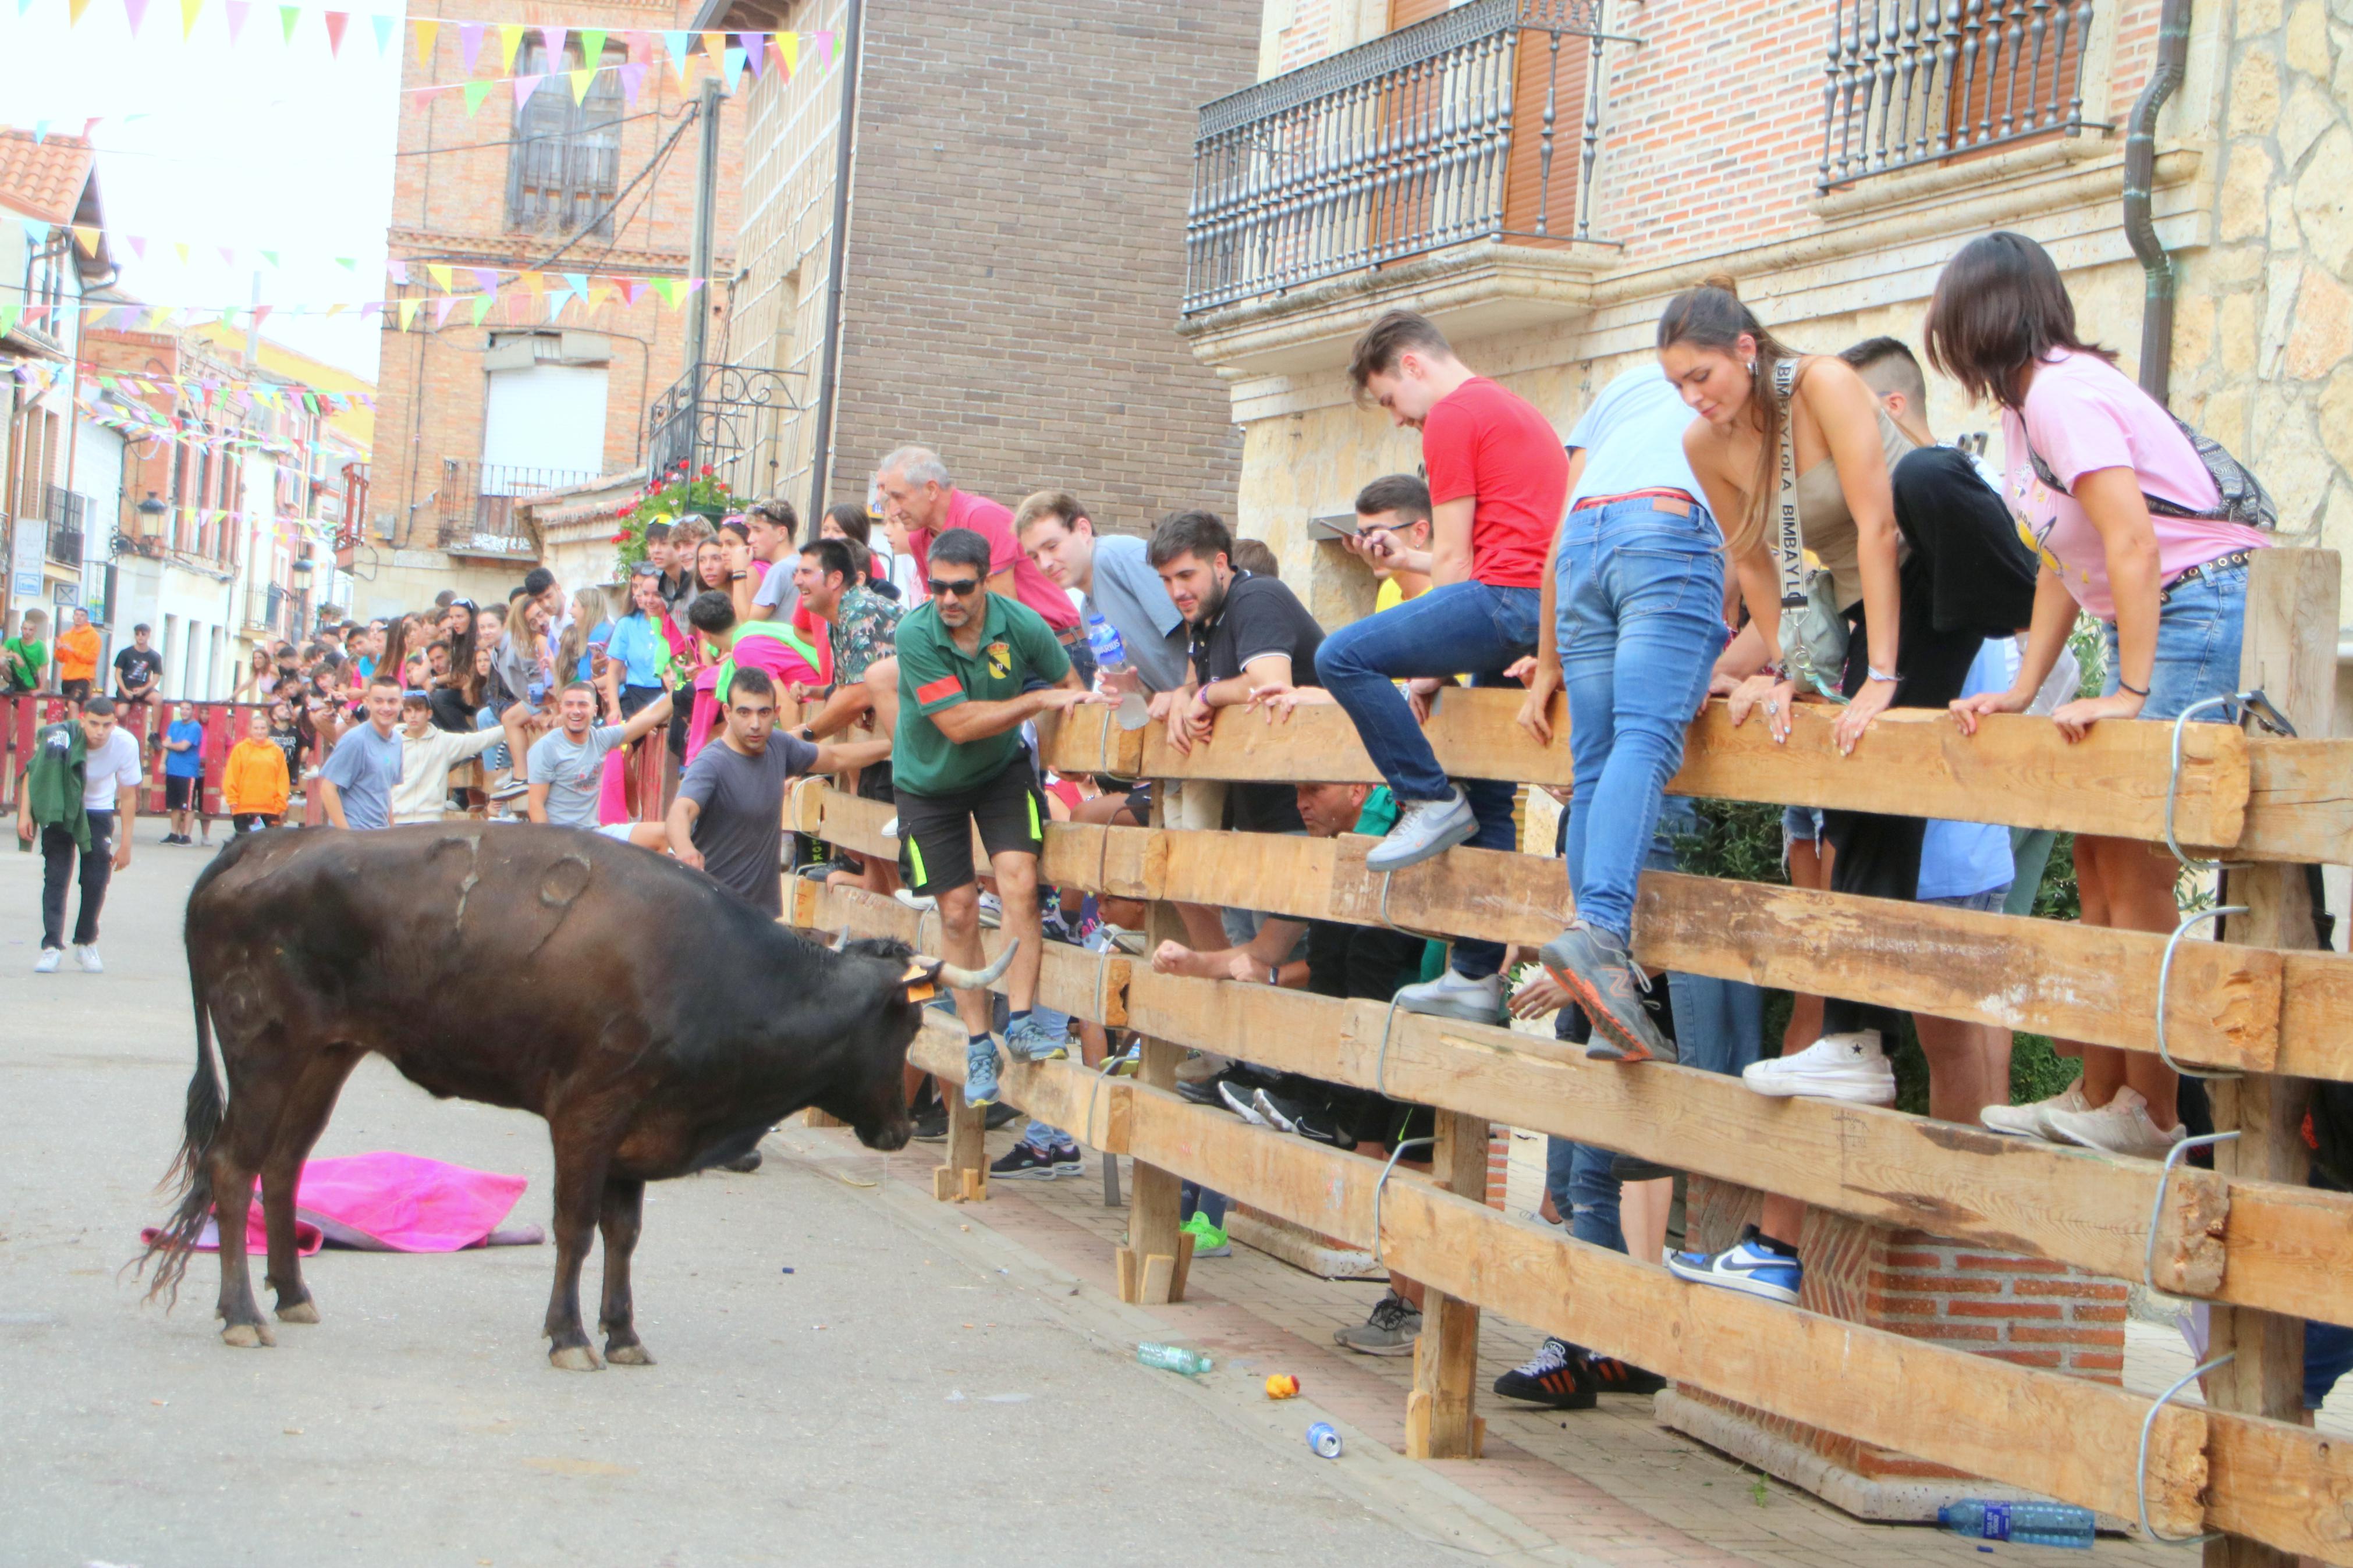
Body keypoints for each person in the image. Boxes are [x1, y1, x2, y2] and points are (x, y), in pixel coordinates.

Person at [1656, 287, 2037, 1307]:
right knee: (1860, 804)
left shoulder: (1821, 385)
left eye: (1702, 374)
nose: (1692, 398)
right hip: (1848, 621)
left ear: (1746, 349)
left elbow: (1874, 528)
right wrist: (1788, 670)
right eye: (1676, 385)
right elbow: (1762, 575)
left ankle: (1870, 1068)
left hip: (1937, 583)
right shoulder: (1706, 450)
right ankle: (1854, 1043)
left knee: (1919, 478)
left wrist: (1880, 677)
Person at [1931, 230, 2272, 1158]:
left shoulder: (2061, 392)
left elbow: (2131, 542)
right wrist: (2024, 687)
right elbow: (2063, 556)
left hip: (2194, 601)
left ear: (1971, 321)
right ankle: (2102, 1087)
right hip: (2145, 610)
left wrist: (2126, 690)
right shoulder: (2022, 411)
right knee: (2093, 856)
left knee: (2133, 860)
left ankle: (2148, 1110)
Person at [1316, 311, 1563, 1023]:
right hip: (1530, 608)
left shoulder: (1453, 415)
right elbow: (1479, 554)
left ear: (1413, 367)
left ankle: (1424, 798)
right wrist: (1409, 563)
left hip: (1505, 607)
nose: (1398, 421)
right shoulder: (1510, 407)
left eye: (1391, 401)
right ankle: (1475, 976)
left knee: (1342, 655)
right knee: (1490, 799)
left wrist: (1431, 660)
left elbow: (1459, 565)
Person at [1516, 360, 1725, 1065]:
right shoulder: (1746, 380)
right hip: (1668, 528)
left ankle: (1603, 976)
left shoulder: (1622, 386)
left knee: (1595, 761)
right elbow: (1750, 529)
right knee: (1647, 738)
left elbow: (1561, 522)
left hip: (1582, 544)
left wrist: (1546, 657)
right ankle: (1601, 934)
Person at [892, 527, 1105, 1107]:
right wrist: (1036, 703)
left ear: (986, 581)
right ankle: (978, 1040)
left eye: (961, 587)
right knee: (958, 912)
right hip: (928, 782)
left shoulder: (1020, 623)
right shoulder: (914, 632)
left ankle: (1025, 1020)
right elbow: (958, 724)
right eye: (937, 587)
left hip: (999, 773)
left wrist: (1073, 755)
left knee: (1019, 883)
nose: (948, 599)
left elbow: (1070, 685)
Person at [665, 666, 883, 912]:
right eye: (744, 713)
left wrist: (892, 747)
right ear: (727, 712)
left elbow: (834, 757)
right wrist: (685, 850)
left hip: (761, 917)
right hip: (714, 913)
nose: (755, 724)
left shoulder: (777, 746)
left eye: (764, 712)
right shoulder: (712, 763)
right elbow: (681, 810)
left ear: (776, 713)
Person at [874, 446, 1086, 678]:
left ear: (932, 489)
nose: (893, 510)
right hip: (993, 653)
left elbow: (1003, 612)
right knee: (882, 678)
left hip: (1055, 650)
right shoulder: (919, 538)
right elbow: (942, 613)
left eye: (898, 497)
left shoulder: (981, 516)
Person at [17, 694, 139, 972]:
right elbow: (33, 773)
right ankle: (51, 946)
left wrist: (126, 844)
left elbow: (129, 795)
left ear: (115, 723)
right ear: (82, 720)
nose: (100, 731)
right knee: (57, 877)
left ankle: (86, 942)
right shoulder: (62, 738)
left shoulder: (125, 744)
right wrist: (25, 814)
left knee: (96, 878)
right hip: (61, 806)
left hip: (97, 810)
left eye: (106, 725)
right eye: (94, 724)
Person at [526, 681, 675, 830]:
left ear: (595, 710)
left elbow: (649, 717)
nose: (576, 711)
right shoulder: (546, 748)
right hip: (562, 837)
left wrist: (680, 689)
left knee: (662, 833)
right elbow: (536, 806)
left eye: (583, 705)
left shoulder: (600, 739)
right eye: (570, 705)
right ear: (561, 709)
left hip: (595, 834)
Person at [389, 688, 509, 826]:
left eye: (418, 710)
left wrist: (511, 724)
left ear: (429, 714)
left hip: (431, 820)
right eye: (408, 711)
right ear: (403, 715)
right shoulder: (391, 743)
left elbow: (480, 740)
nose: (413, 715)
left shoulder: (443, 741)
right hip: (397, 820)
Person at [314, 675, 406, 830]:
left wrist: (392, 831)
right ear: (367, 703)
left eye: (392, 701)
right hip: (356, 837)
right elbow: (327, 789)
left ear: (401, 704)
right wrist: (348, 837)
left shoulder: (397, 741)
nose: (386, 708)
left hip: (380, 836)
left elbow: (385, 792)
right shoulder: (355, 740)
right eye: (378, 701)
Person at [1346, 474, 1434, 610]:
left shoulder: (1447, 595)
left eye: (1377, 535)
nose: (1367, 546)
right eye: (1362, 535)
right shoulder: (1389, 589)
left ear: (1419, 532)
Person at [608, 564, 686, 719]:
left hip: (669, 691)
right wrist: (614, 708)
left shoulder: (678, 622)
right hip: (636, 695)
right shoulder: (626, 624)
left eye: (656, 594)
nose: (648, 600)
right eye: (644, 593)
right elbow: (613, 672)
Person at [222, 707, 290, 832]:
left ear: (268, 730)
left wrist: (280, 804)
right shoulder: (240, 750)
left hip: (270, 809)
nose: (260, 732)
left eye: (263, 728)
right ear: (250, 731)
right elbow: (232, 776)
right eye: (256, 728)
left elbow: (282, 780)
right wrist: (232, 798)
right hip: (243, 808)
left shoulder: (276, 751)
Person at [161, 702, 209, 846]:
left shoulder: (195, 727)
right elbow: (166, 746)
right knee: (174, 805)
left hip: (187, 771)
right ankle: (174, 833)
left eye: (188, 709)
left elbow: (183, 746)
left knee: (187, 805)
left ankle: (186, 836)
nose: (184, 712)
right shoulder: (174, 725)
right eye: (182, 709)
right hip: (172, 769)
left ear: (193, 711)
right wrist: (163, 762)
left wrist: (168, 745)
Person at [113, 624, 165, 736]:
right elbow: (118, 674)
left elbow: (156, 678)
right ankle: (121, 733)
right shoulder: (125, 653)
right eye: (137, 634)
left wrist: (144, 689)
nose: (140, 637)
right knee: (121, 713)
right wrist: (125, 691)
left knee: (158, 699)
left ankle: (154, 733)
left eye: (143, 634)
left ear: (148, 635)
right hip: (126, 687)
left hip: (143, 687)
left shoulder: (155, 656)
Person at [54, 608, 101, 703]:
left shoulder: (93, 636)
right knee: (67, 706)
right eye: (77, 615)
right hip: (67, 678)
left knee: (73, 704)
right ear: (73, 617)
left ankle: (75, 719)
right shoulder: (66, 636)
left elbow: (92, 658)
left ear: (87, 618)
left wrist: (74, 650)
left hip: (83, 678)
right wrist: (59, 649)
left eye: (82, 615)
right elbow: (61, 659)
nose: (79, 618)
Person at [5, 609, 49, 692]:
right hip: (15, 677)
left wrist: (41, 688)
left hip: (30, 681)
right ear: (21, 629)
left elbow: (44, 668)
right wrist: (14, 655)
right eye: (25, 629)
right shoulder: (13, 641)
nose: (27, 632)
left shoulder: (40, 646)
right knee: (1, 661)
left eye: (30, 630)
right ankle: (12, 684)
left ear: (35, 631)